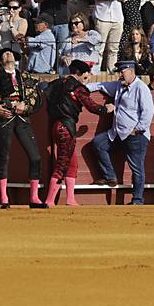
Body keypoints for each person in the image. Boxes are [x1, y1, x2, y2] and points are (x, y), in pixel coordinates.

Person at [0, 47, 46, 208]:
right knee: (4, 157)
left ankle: (34, 198)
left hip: (22, 117)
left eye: (10, 52)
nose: (8, 54)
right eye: (4, 53)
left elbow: (38, 100)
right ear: (0, 61)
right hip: (5, 118)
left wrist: (25, 106)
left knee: (35, 157)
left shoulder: (25, 77)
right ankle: (4, 198)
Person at [43, 59, 110, 207]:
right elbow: (91, 106)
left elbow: (45, 93)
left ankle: (70, 199)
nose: (86, 78)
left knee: (71, 163)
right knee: (62, 164)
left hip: (56, 125)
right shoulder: (78, 88)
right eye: (85, 75)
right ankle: (49, 200)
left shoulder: (56, 84)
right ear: (79, 73)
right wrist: (106, 109)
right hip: (66, 127)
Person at [88, 60, 154, 205]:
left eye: (122, 71)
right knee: (99, 143)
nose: (119, 74)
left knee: (136, 168)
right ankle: (110, 176)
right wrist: (81, 88)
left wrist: (137, 130)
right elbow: (100, 85)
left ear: (131, 71)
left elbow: (148, 111)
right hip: (117, 133)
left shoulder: (141, 88)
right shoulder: (119, 85)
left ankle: (137, 200)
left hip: (135, 135)